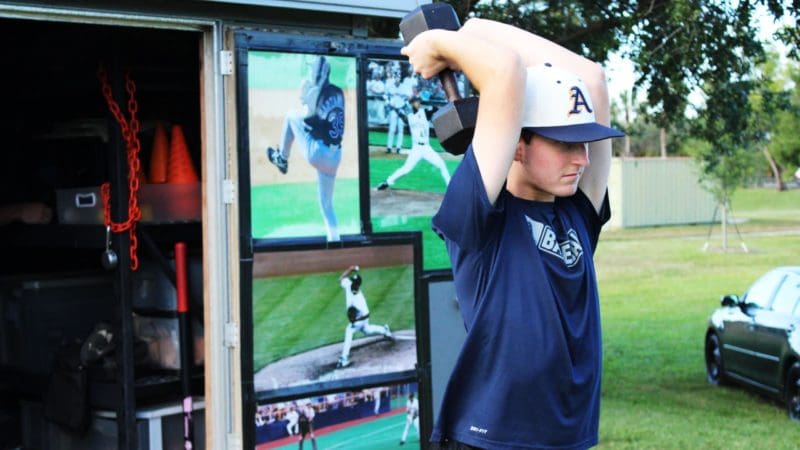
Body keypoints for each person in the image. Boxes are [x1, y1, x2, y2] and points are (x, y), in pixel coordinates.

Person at [403, 17, 624, 450]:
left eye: (585, 143)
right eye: (564, 143)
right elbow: (504, 73)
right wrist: (438, 41)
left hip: (568, 440)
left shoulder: (578, 213)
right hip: (491, 441)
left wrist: (469, 30)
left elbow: (592, 78)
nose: (582, 159)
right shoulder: (481, 217)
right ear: (518, 146)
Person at [266, 55, 345, 242]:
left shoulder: (314, 91)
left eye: (312, 69)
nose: (310, 71)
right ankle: (335, 241)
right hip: (335, 156)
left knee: (291, 116)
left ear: (320, 72)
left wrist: (304, 93)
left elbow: (307, 119)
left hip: (317, 152)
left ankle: (282, 158)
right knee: (327, 205)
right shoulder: (338, 92)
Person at [376, 96, 451, 191]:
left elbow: (435, 109)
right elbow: (402, 117)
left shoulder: (424, 112)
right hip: (416, 149)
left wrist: (442, 106)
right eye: (415, 102)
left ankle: (450, 187)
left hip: (427, 148)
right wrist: (395, 109)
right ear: (411, 104)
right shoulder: (410, 117)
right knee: (406, 169)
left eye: (418, 102)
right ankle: (387, 182)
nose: (418, 103)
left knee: (441, 164)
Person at [336, 265, 393, 368]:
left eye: (354, 284)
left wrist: (355, 320)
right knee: (367, 330)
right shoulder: (348, 285)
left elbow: (367, 315)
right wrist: (350, 269)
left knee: (349, 331)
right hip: (359, 320)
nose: (353, 285)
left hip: (362, 318)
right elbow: (340, 279)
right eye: (352, 282)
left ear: (358, 285)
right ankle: (385, 330)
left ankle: (344, 358)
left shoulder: (360, 300)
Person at [384, 63, 415, 154]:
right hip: (393, 110)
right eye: (395, 77)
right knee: (392, 128)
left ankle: (398, 147)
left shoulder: (404, 87)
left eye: (398, 77)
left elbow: (409, 98)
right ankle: (389, 147)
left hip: (401, 110)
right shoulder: (390, 87)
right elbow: (385, 96)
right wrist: (389, 103)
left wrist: (404, 105)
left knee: (400, 129)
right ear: (394, 78)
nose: (397, 79)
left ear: (400, 78)